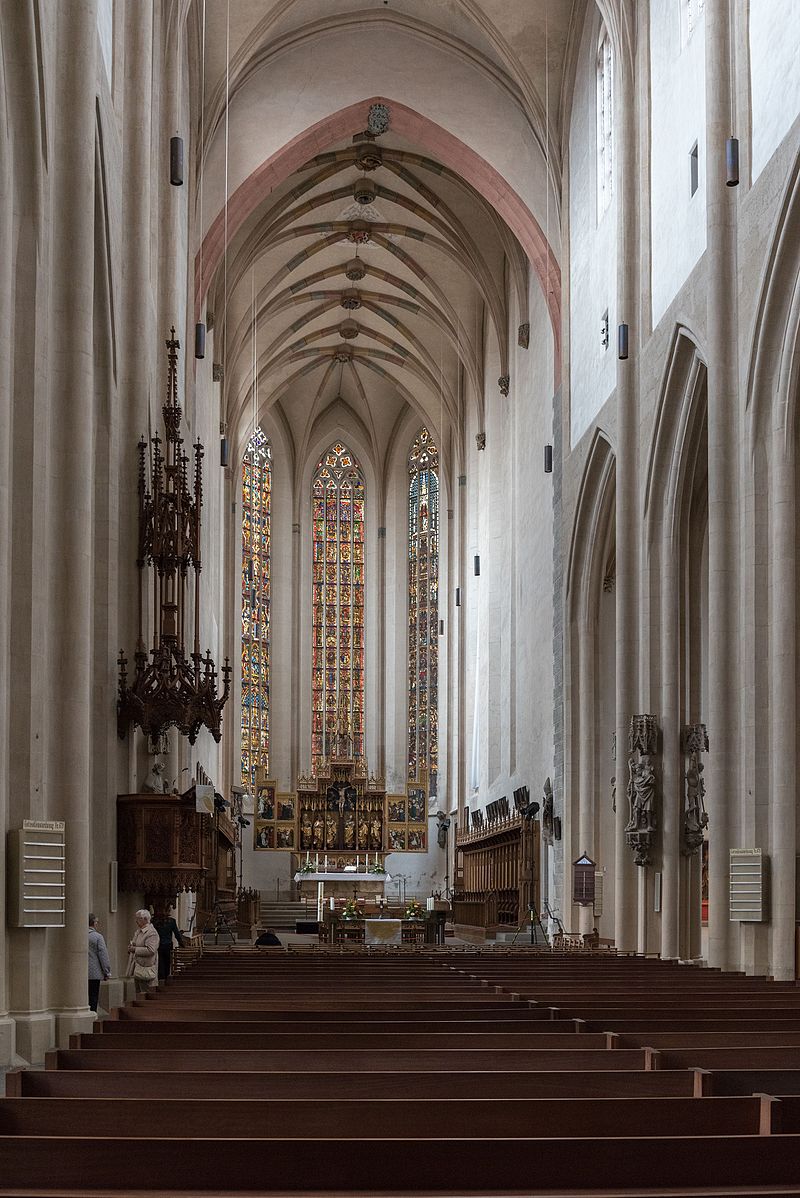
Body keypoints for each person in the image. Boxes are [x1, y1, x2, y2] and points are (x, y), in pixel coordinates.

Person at [128, 909, 160, 994]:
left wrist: (135, 949)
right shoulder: (138, 931)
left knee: (146, 994)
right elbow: (136, 944)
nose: (136, 921)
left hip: (146, 969)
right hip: (138, 967)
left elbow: (151, 950)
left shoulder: (151, 933)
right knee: (138, 994)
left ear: (145, 919)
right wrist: (131, 947)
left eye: (138, 918)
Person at [153, 907, 185, 980]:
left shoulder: (154, 921)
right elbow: (176, 933)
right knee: (167, 962)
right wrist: (181, 943)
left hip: (158, 944)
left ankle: (161, 978)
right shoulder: (171, 921)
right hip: (167, 944)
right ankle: (166, 978)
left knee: (160, 962)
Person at [88, 914, 111, 1013]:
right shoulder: (97, 937)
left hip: (80, 974)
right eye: (97, 922)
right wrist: (107, 971)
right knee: (93, 996)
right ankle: (93, 1015)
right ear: (94, 923)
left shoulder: (78, 935)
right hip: (94, 973)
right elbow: (103, 955)